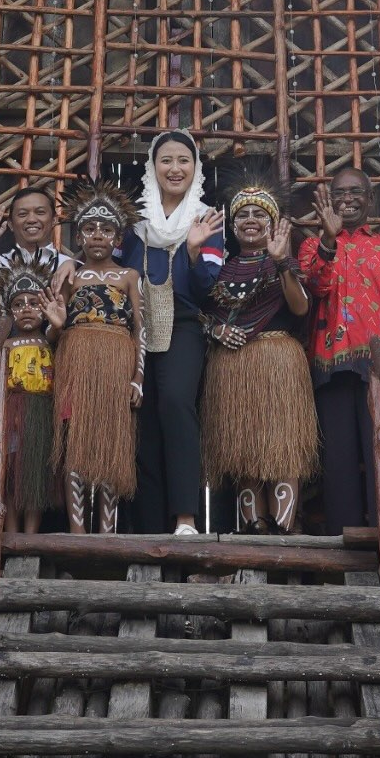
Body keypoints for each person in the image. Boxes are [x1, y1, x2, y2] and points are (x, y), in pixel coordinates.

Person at [296, 166, 380, 533]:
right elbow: (314, 290)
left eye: (355, 192)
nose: (347, 199)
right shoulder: (312, 247)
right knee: (337, 460)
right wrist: (328, 240)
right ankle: (346, 548)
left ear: (370, 199)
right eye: (339, 193)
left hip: (379, 369)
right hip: (329, 368)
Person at [118, 130, 224, 533]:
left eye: (184, 160)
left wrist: (194, 253)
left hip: (183, 325)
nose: (175, 168)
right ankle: (147, 524)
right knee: (140, 416)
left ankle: (185, 516)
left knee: (177, 404)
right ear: (152, 166)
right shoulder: (132, 220)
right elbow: (110, 271)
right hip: (135, 328)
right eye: (166, 160)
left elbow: (207, 291)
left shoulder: (207, 218)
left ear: (196, 167)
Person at [201, 174, 314, 533]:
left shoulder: (283, 263)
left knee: (281, 448)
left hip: (277, 360)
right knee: (244, 451)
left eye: (259, 214)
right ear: (232, 226)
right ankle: (255, 530)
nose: (251, 220)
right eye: (243, 215)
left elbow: (300, 308)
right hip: (232, 367)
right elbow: (205, 314)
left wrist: (282, 262)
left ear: (272, 223)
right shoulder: (222, 269)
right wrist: (216, 329)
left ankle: (282, 531)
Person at [53, 178, 146, 533]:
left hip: (116, 362)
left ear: (118, 238)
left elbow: (142, 328)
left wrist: (139, 377)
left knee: (109, 441)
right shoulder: (70, 276)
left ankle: (106, 533)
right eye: (89, 228)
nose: (97, 235)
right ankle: (78, 533)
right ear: (78, 236)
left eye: (106, 229)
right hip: (75, 360)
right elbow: (54, 324)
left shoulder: (128, 276)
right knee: (75, 438)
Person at [0, 267, 63, 535]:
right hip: (11, 412)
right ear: (9, 311)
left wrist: (57, 323)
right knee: (11, 476)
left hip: (40, 411)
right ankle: (11, 534)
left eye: (34, 303)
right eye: (18, 304)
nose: (26, 309)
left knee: (35, 474)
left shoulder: (48, 340)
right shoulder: (6, 344)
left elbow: (57, 332)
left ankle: (30, 536)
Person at [0, 185, 68, 300]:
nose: (31, 220)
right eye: (23, 214)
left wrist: (73, 263)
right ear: (10, 224)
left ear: (54, 220)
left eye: (40, 212)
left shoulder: (68, 265)